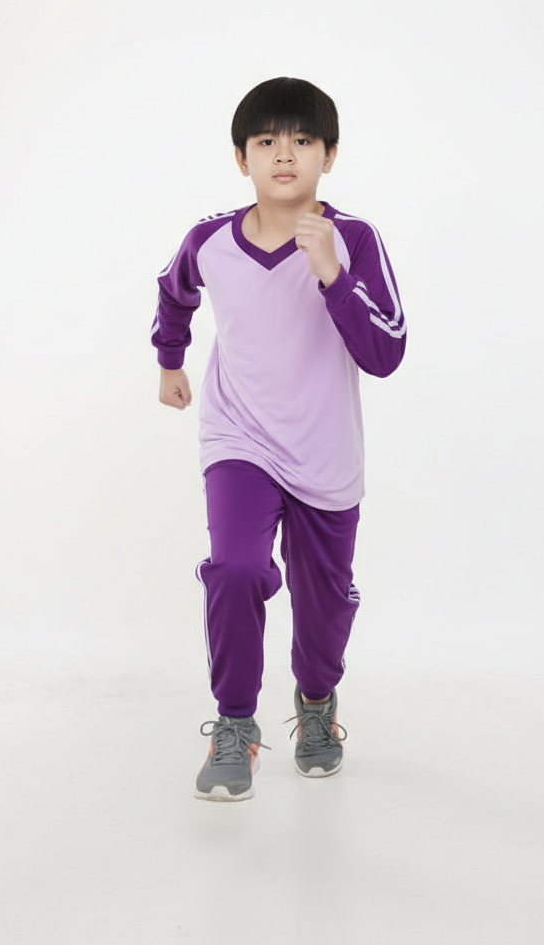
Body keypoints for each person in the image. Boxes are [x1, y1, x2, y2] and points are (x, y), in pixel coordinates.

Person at [151, 76, 406, 801]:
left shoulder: (354, 240)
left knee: (323, 609)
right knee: (234, 569)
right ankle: (235, 725)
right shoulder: (209, 240)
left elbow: (386, 352)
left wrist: (333, 277)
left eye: (302, 140)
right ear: (242, 158)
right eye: (266, 141)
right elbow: (174, 290)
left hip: (325, 453)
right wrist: (170, 361)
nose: (284, 154)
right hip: (239, 438)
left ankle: (317, 703)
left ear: (330, 154)